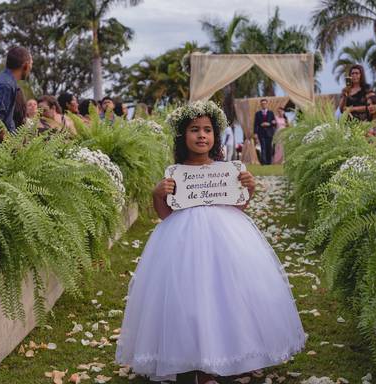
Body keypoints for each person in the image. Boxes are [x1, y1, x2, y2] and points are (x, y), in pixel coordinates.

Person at [115, 101, 305, 383]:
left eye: (207, 130)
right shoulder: (176, 173)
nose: (201, 135)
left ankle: (241, 354)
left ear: (215, 136)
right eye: (194, 130)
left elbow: (236, 207)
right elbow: (167, 215)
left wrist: (248, 190)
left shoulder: (225, 170)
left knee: (232, 296)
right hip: (183, 241)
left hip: (226, 238)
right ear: (183, 136)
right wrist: (158, 195)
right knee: (193, 299)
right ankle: (200, 364)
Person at [254, 98, 276, 164]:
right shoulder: (257, 114)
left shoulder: (271, 113)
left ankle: (269, 162)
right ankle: (264, 162)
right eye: (262, 104)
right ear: (261, 105)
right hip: (261, 133)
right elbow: (255, 124)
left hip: (269, 133)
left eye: (265, 103)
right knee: (263, 147)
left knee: (269, 147)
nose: (263, 105)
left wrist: (269, 124)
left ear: (267, 104)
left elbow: (274, 122)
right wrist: (255, 133)